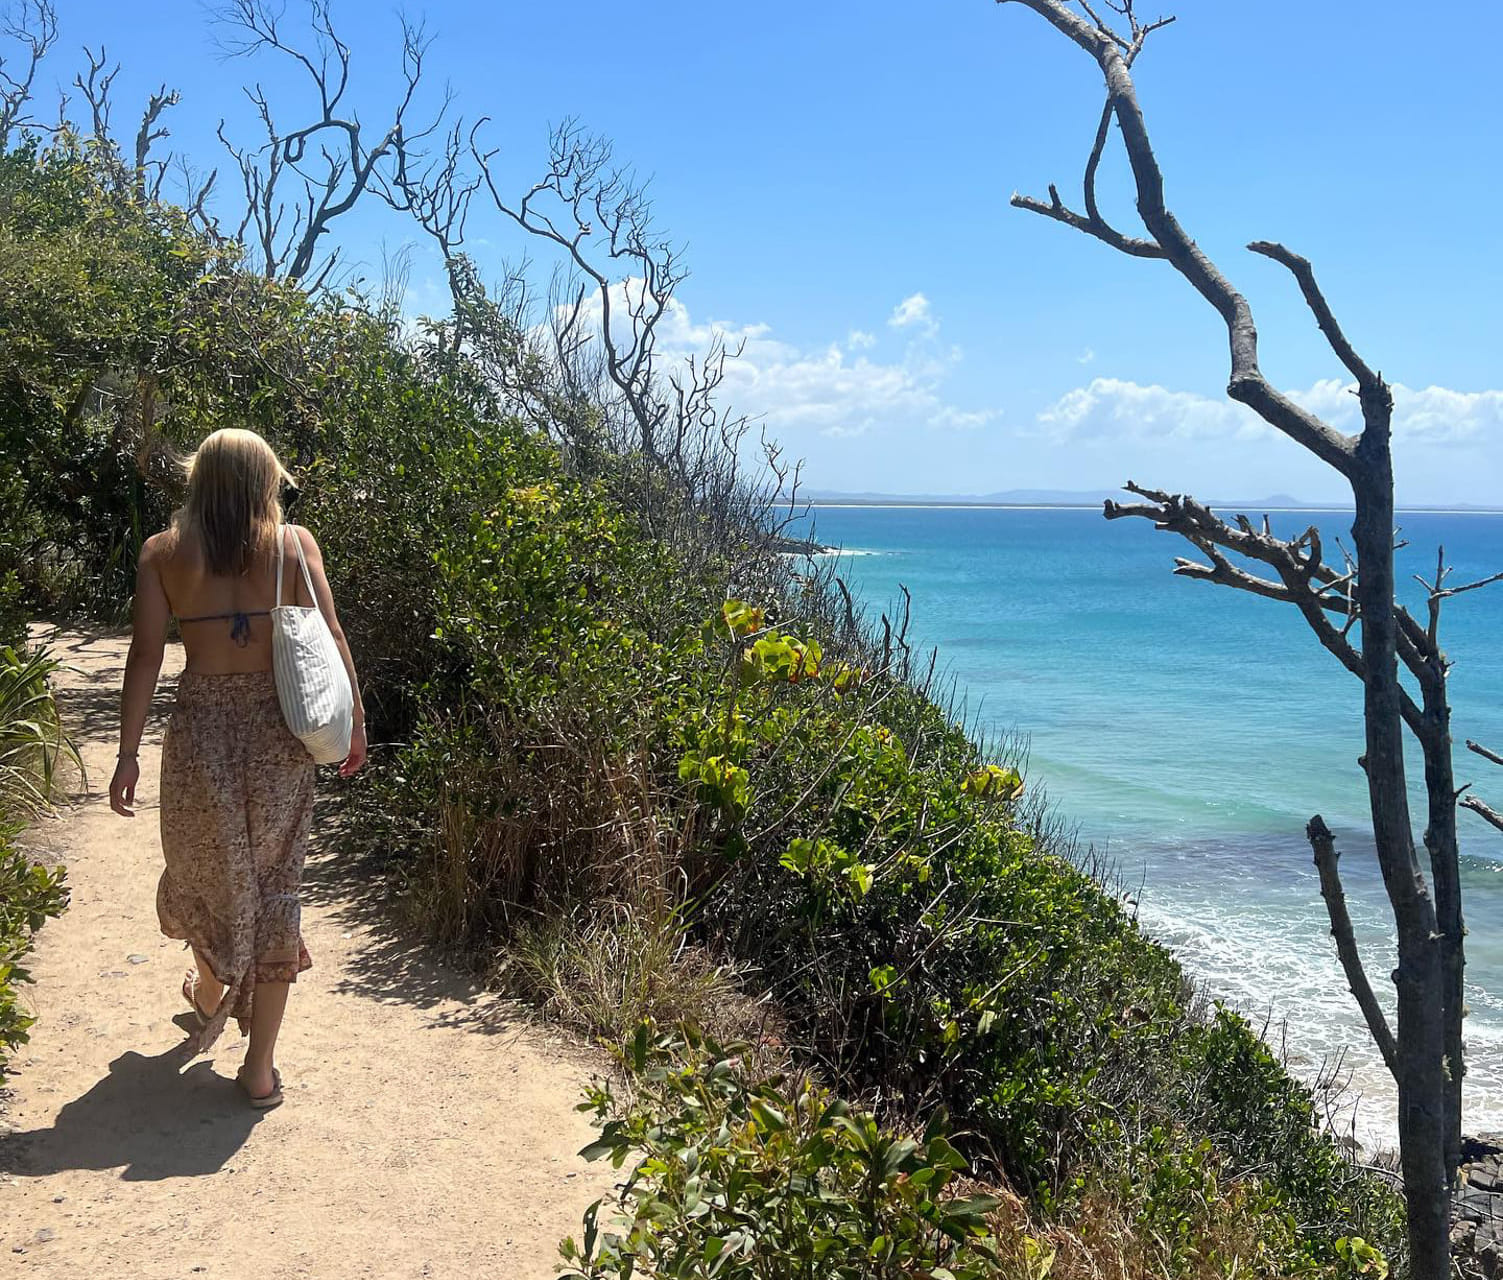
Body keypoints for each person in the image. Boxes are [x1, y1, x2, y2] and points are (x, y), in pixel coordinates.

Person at [109, 428, 366, 1108]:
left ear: (200, 480)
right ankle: (258, 1067)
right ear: (263, 481)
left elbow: (144, 656)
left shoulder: (164, 554)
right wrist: (355, 726)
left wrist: (127, 752)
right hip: (279, 735)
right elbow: (332, 637)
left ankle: (211, 989)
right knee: (274, 885)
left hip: (201, 734)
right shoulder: (293, 546)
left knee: (204, 872)